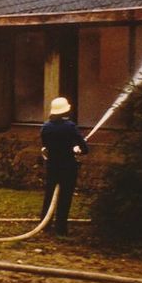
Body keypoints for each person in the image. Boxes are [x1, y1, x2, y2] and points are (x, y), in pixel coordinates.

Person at [40, 96, 88, 236]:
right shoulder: (70, 127)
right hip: (68, 166)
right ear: (65, 111)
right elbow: (84, 149)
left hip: (52, 165)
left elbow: (46, 146)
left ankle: (45, 224)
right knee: (65, 197)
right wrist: (78, 148)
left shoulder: (45, 127)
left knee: (49, 194)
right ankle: (61, 228)